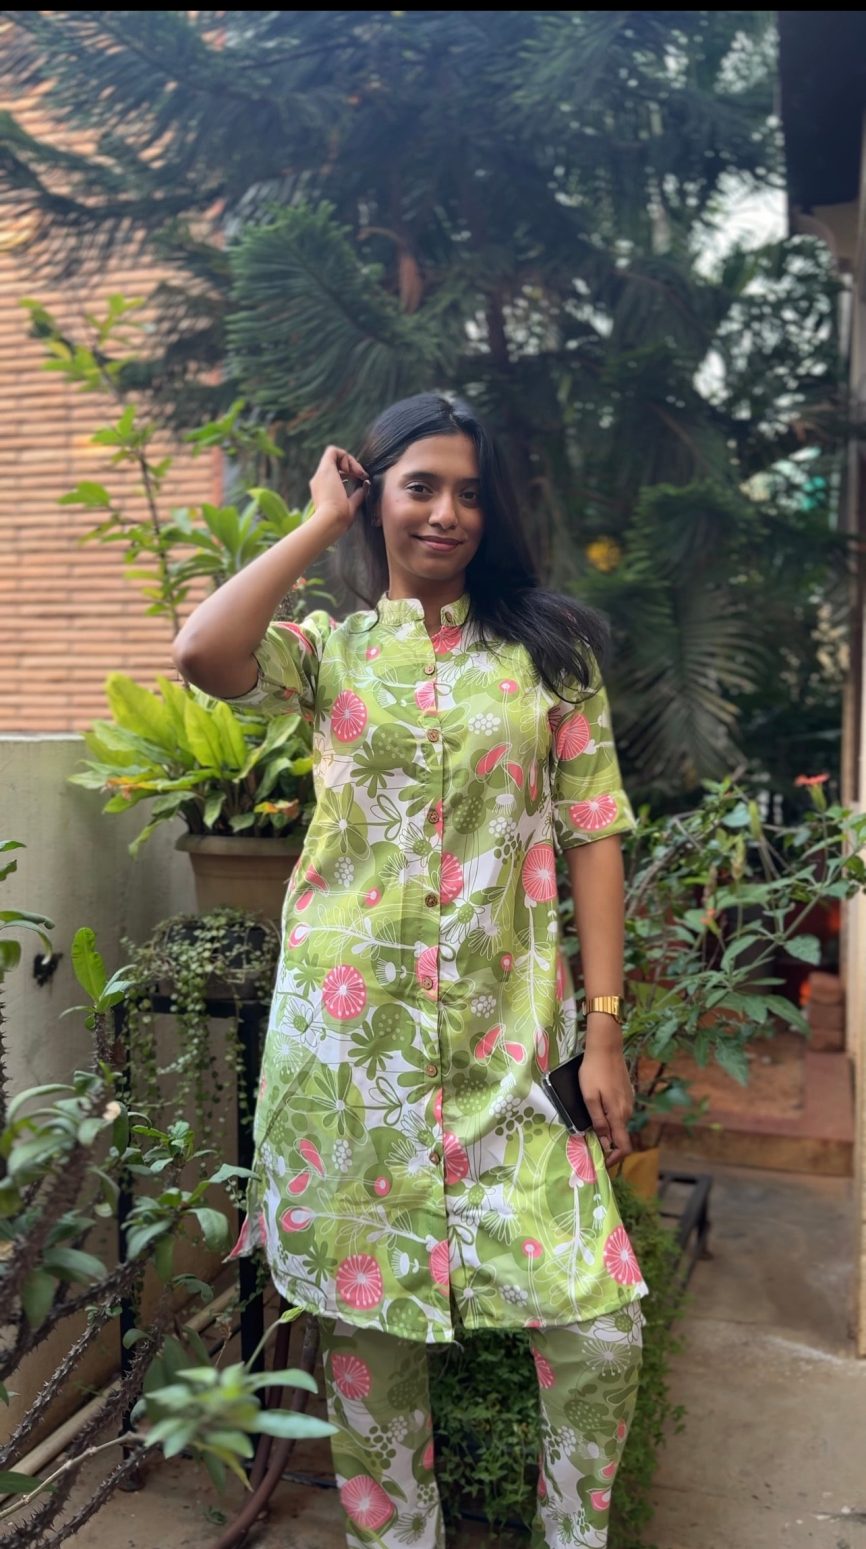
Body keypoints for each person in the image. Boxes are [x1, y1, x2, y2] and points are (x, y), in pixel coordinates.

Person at [173, 392, 648, 1549]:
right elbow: (200, 653)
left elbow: (594, 834)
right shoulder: (327, 654)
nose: (446, 513)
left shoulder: (548, 656)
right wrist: (312, 524)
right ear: (373, 495)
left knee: (599, 1328)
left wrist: (602, 1029)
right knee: (371, 1346)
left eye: (470, 492)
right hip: (351, 1060)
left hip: (511, 1048)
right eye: (420, 485)